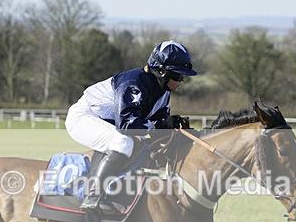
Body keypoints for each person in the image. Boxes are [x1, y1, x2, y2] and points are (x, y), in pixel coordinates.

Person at [65, 40, 197, 211]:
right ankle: (93, 196)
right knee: (123, 143)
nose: (181, 81)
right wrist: (160, 126)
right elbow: (127, 126)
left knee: (138, 145)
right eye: (178, 76)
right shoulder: (133, 83)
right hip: (83, 118)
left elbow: (156, 130)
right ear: (162, 71)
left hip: (108, 123)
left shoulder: (163, 93)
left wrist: (178, 130)